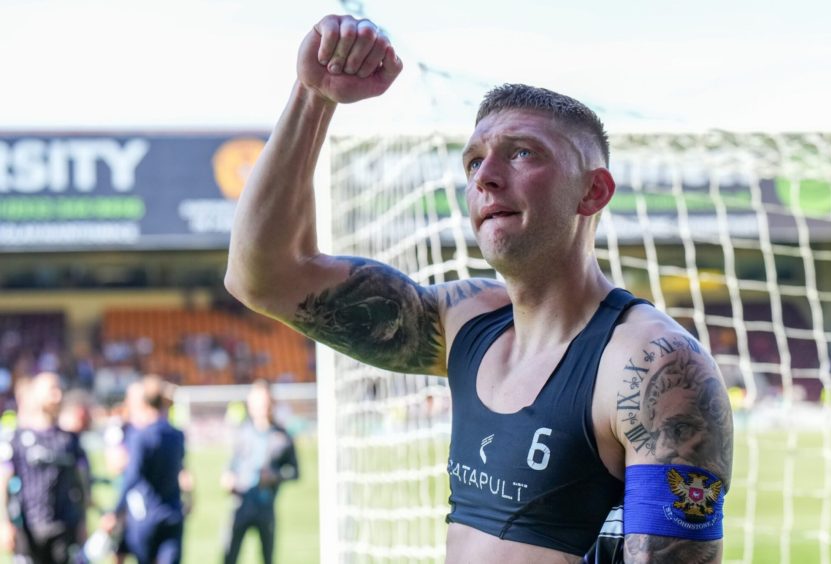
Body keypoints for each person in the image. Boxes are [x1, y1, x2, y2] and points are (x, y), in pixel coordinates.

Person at [225, 14, 734, 563]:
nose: (484, 176)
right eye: (473, 160)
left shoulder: (653, 366)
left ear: (593, 191)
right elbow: (264, 277)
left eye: (522, 153)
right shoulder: (466, 322)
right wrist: (312, 96)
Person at [0, 372, 91, 563]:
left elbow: (83, 484)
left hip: (64, 529)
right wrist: (4, 523)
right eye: (52, 390)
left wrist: (83, 520)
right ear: (36, 394)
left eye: (60, 390)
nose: (57, 395)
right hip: (28, 530)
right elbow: (3, 482)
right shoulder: (17, 440)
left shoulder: (70, 440)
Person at [99, 375, 186, 564]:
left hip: (145, 515)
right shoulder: (177, 434)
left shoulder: (141, 436)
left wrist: (114, 511)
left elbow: (131, 475)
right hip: (172, 513)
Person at [220, 379, 298, 564]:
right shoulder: (242, 431)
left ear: (271, 403)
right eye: (256, 402)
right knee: (229, 556)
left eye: (264, 402)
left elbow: (294, 472)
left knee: (267, 557)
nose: (261, 407)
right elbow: (232, 463)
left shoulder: (283, 436)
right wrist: (227, 475)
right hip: (240, 504)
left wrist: (275, 476)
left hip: (266, 507)